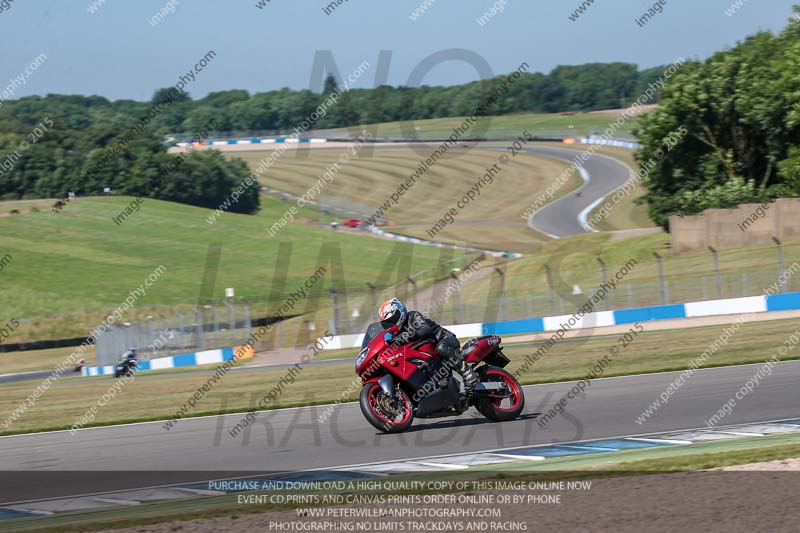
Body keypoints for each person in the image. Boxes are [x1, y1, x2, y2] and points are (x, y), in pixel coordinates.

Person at [378, 298, 478, 391]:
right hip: (430, 355)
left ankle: (468, 373)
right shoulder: (396, 334)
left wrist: (404, 336)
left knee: (441, 347)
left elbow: (425, 329)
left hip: (445, 340)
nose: (391, 324)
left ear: (401, 312)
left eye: (392, 319)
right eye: (387, 323)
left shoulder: (413, 316)